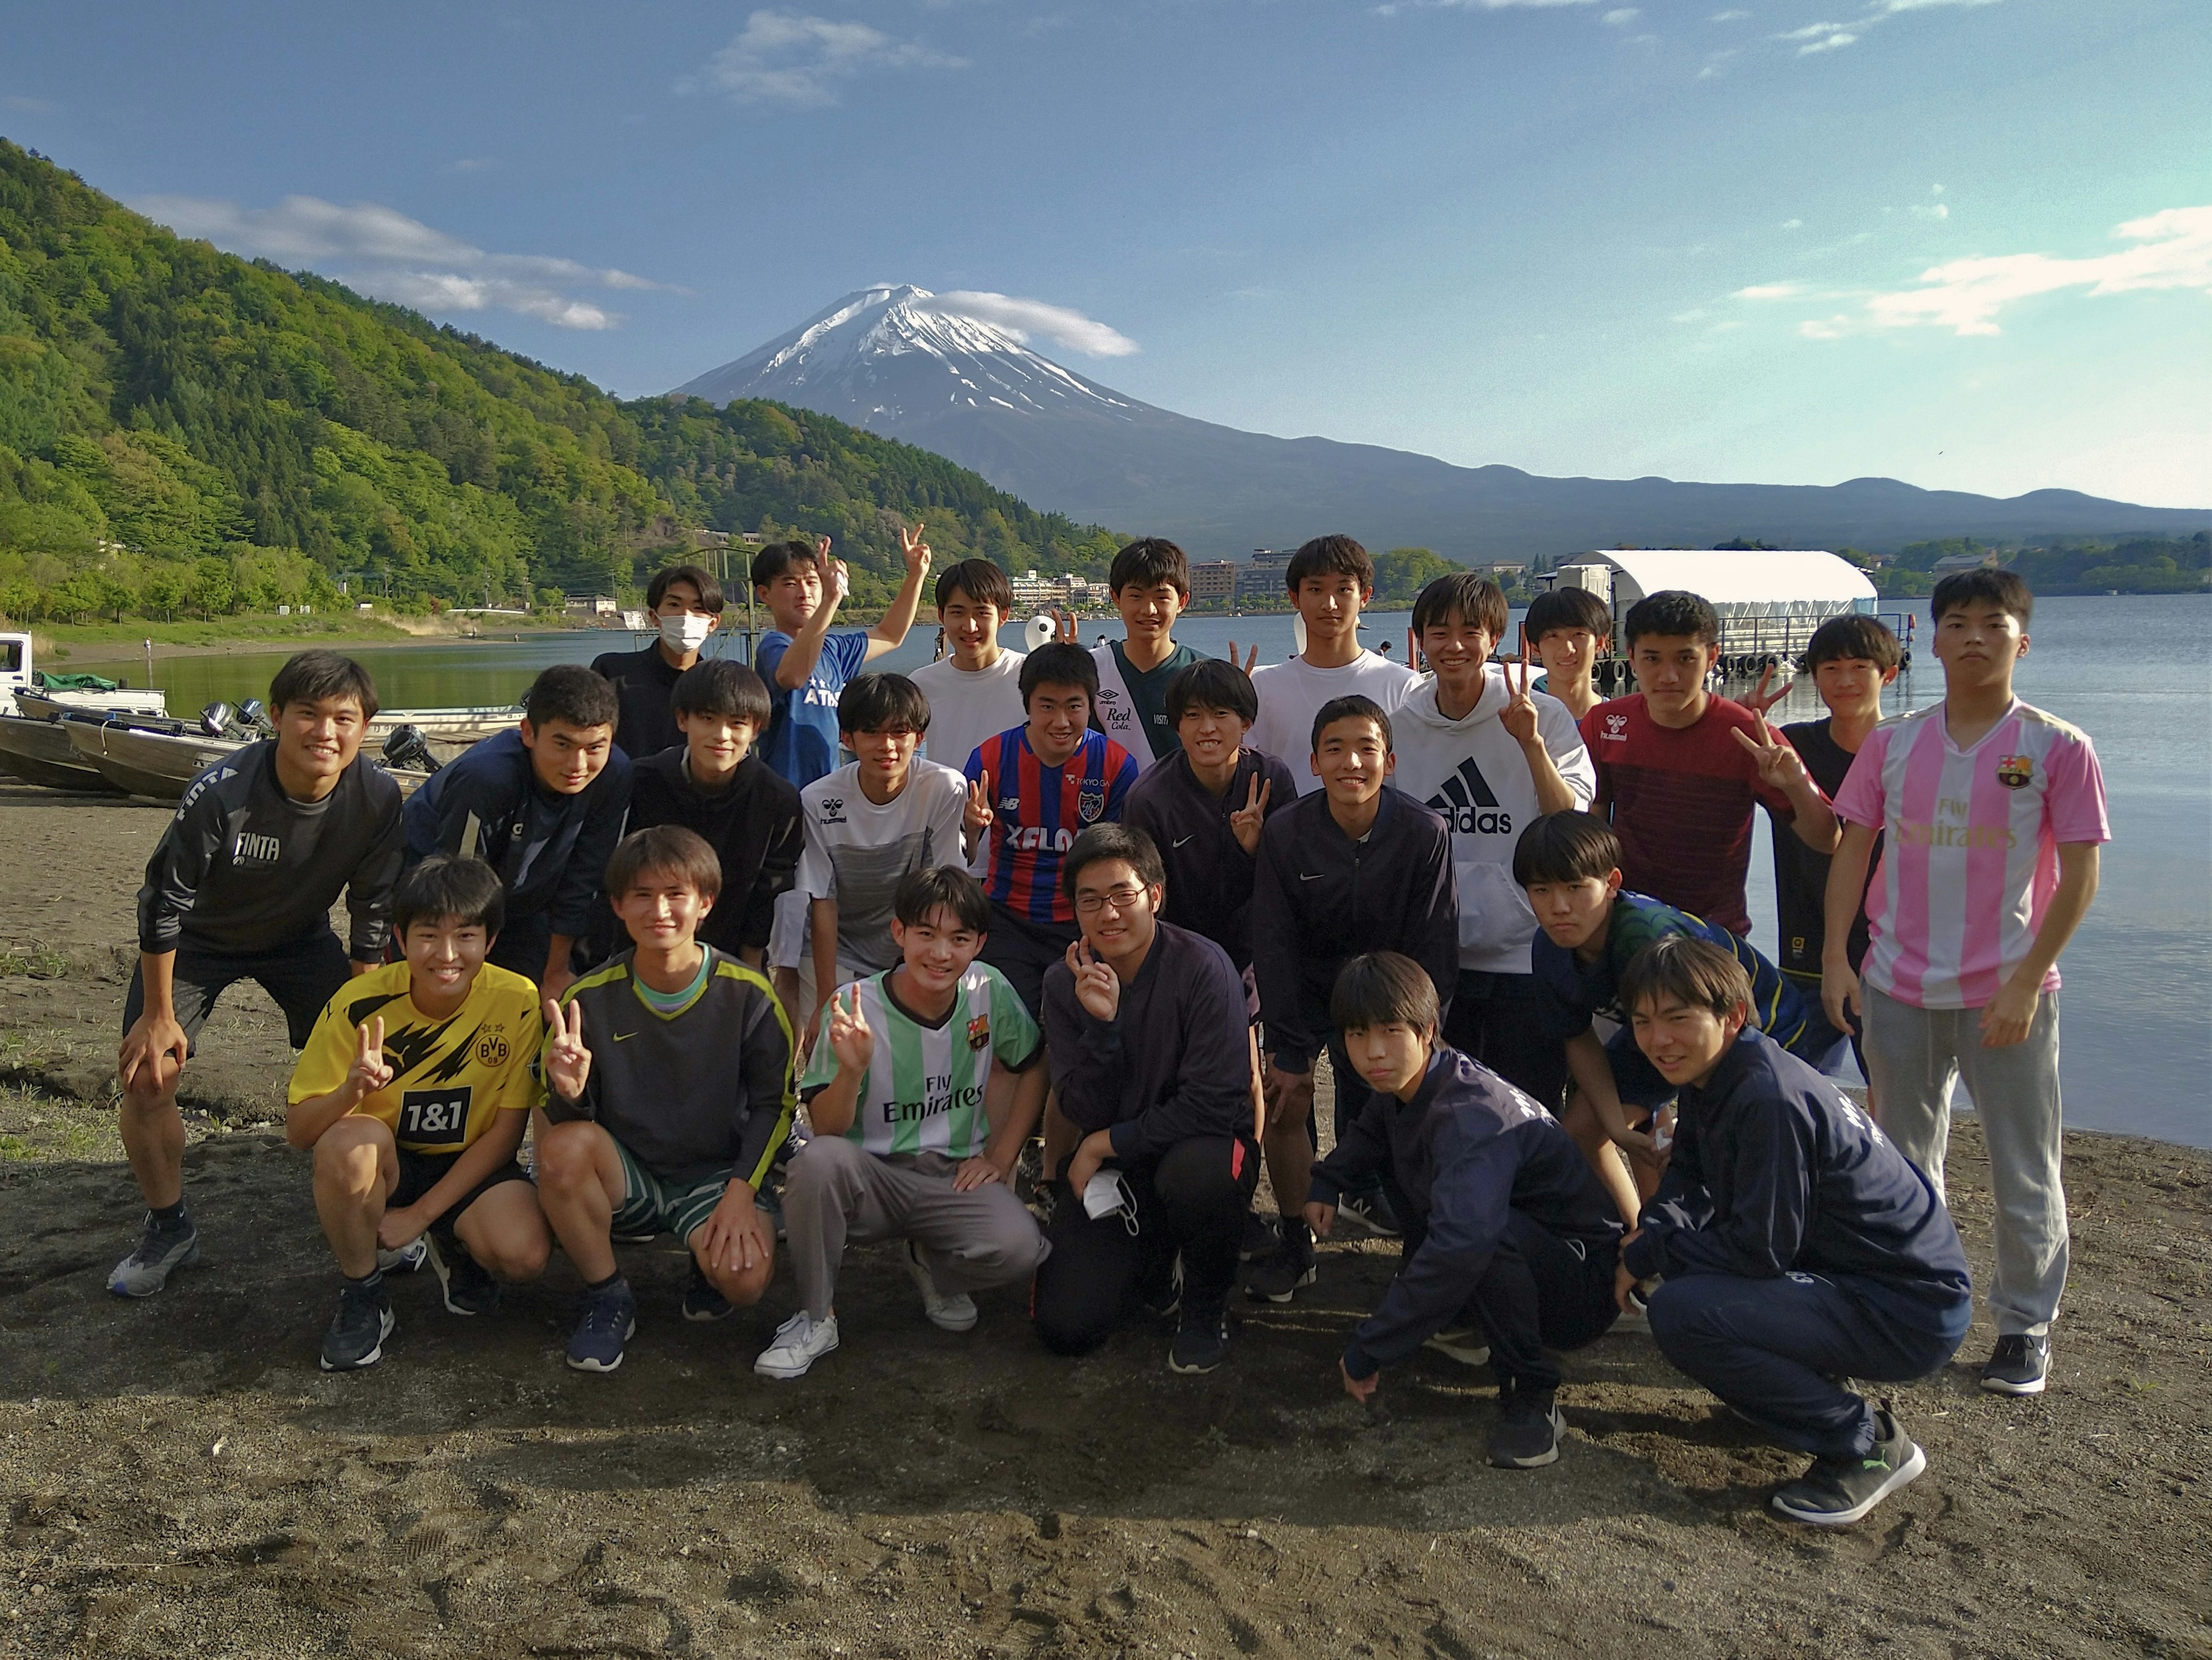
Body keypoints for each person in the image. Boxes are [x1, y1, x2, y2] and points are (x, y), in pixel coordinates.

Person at [1824, 568, 2107, 1398]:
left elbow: (2082, 876)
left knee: (2025, 1163)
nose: (1975, 635)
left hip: (2006, 994)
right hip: (1897, 983)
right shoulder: (1894, 742)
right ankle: (1918, 1302)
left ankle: (2025, 1326)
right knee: (1904, 1160)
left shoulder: (2058, 746)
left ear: (2023, 638)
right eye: (1957, 622)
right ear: (1934, 639)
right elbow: (1852, 850)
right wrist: (1841, 958)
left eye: (1994, 621)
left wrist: (2024, 983)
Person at [1619, 936, 1972, 1527]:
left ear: (1731, 1016)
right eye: (1642, 1021)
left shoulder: (1766, 1097)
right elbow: (1688, 1175)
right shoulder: (1718, 1072)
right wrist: (1652, 1232)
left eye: (1677, 1019)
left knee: (1682, 1311)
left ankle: (1867, 1443)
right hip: (1855, 1277)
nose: (1658, 1040)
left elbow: (1758, 1252)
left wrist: (1653, 1251)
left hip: (1908, 1307)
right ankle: (1791, 1394)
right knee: (1688, 1281)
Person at [109, 651, 406, 1299]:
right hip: (194, 943)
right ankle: (170, 1226)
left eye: (343, 718)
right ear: (275, 717)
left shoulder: (378, 796)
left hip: (299, 939)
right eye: (308, 714)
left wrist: (367, 1010)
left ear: (366, 728)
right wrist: (158, 1016)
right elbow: (162, 904)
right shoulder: (224, 792)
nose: (324, 732)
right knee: (149, 1074)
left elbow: (373, 912)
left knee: (378, 1061)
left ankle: (383, 1207)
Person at [1309, 953, 1623, 1470]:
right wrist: (1328, 1180)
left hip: (1583, 1280)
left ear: (1428, 1030)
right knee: (1446, 1202)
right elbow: (1371, 1131)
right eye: (1357, 1034)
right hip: (1531, 1247)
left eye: (1392, 1031)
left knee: (1477, 1235)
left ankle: (1533, 1393)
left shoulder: (1470, 1114)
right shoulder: (1411, 1083)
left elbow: (1464, 1244)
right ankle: (1466, 1316)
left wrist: (1372, 1345)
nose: (1374, 1052)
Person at [760, 866, 1050, 1379]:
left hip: (952, 1176)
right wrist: (851, 1070)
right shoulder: (855, 1006)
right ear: (899, 933)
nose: (941, 953)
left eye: (959, 938)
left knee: (1021, 1246)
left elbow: (1034, 1065)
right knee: (817, 1163)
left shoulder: (989, 990)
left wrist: (1003, 1155)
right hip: (872, 1178)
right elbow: (826, 1129)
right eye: (926, 934)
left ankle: (932, 1261)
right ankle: (814, 1316)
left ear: (979, 943)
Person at [535, 826, 797, 1371]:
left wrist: (741, 1191)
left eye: (676, 894)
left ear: (705, 903)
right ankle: (607, 1294)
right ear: (617, 905)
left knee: (744, 1282)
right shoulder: (589, 997)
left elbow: (777, 1105)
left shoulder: (749, 992)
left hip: (717, 1172)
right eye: (642, 895)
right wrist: (570, 1091)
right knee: (561, 1150)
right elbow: (563, 1120)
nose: (660, 910)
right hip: (630, 1169)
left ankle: (707, 1257)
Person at [284, 856, 551, 1370]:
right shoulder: (358, 1003)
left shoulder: (517, 999)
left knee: (525, 1255)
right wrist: (350, 1090)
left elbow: (507, 1132)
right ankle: (363, 1292)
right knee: (347, 1143)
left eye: (466, 936)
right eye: (429, 936)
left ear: (490, 941)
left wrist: (420, 1216)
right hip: (390, 1164)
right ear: (401, 940)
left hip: (470, 1159)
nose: (447, 955)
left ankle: (449, 1240)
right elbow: (299, 1132)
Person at [1516, 810, 1828, 1228]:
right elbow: (1577, 1036)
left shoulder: (1647, 937)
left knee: (1713, 1147)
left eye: (1575, 888)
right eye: (1541, 890)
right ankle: (1637, 1234)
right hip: (1659, 1030)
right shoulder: (1549, 947)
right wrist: (1619, 1127)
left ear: (1612, 884)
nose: (1559, 907)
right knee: (1581, 1132)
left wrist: (1677, 1123)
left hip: (1755, 1027)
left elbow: (1707, 1031)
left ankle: (1696, 1238)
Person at [1248, 696, 1457, 1300]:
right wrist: (1289, 1045)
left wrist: (1422, 1036)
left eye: (1367, 748)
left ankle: (1422, 1249)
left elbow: (1437, 943)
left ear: (1389, 761)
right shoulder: (1288, 833)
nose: (1351, 762)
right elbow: (1274, 940)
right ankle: (1296, 1241)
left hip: (1391, 998)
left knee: (1411, 1114)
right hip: (1310, 989)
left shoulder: (1424, 832)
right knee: (1284, 1102)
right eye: (1335, 749)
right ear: (1313, 762)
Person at [1033, 826, 1262, 1374]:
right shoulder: (1065, 984)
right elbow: (1081, 1105)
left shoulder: (1205, 967)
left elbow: (1213, 1103)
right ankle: (1158, 1263)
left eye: (1122, 895)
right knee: (1067, 1329)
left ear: (1154, 896)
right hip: (1119, 1170)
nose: (1108, 912)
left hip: (1203, 1151)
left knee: (1197, 1171)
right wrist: (1103, 1029)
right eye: (1090, 900)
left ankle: (1207, 1303)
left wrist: (1103, 1143)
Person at [1393, 572, 1595, 1107]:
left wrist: (1530, 745)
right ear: (1420, 640)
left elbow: (1571, 824)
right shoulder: (1401, 723)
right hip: (1438, 958)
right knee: (1443, 1107)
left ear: (1495, 639)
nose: (1454, 645)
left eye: (1471, 631)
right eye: (1439, 632)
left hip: (1524, 955)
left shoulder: (1541, 715)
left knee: (1527, 1107)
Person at [1581, 589, 1838, 937]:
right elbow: (1592, 822)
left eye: (1686, 659)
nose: (1668, 675)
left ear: (1712, 657)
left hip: (1715, 934)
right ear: (1631, 656)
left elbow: (1828, 839)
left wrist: (1795, 785)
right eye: (1653, 659)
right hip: (1627, 924)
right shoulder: (1605, 723)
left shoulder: (1750, 735)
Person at [403, 664, 631, 1000]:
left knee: (538, 996)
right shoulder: (487, 778)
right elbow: (456, 884)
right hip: (435, 887)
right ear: (528, 733)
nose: (578, 765)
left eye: (595, 747)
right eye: (562, 744)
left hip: (527, 899)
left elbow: (584, 878)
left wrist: (555, 973)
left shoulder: (614, 774)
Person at [960, 643, 1139, 1019]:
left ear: (1091, 706)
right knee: (1013, 1033)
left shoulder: (1116, 765)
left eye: (1074, 706)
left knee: (1083, 1025)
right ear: (1028, 705)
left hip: (1082, 920)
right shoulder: (990, 759)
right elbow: (964, 854)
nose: (1061, 720)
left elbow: (1120, 860)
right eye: (1047, 706)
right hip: (1008, 919)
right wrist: (971, 830)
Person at [1766, 615, 1902, 1079]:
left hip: (1890, 954)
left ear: (1888, 673)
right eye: (1831, 668)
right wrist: (1742, 716)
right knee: (1791, 1087)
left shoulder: (1913, 749)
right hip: (1806, 944)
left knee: (1892, 1091)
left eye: (1860, 667)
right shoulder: (1791, 746)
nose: (1844, 681)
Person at [796, 674, 969, 1035]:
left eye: (900, 732)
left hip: (906, 944)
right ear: (847, 739)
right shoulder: (817, 800)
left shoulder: (943, 788)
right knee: (832, 1047)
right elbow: (822, 900)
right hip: (837, 947)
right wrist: (827, 1001)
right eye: (872, 732)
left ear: (919, 738)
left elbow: (945, 885)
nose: (887, 745)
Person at [1119, 658, 1298, 980]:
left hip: (1260, 954)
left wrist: (1255, 850)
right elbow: (1146, 900)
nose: (1207, 728)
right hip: (1179, 958)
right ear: (1176, 726)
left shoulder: (1272, 778)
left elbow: (1289, 883)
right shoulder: (1149, 799)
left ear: (1246, 722)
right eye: (1192, 716)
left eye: (1220, 714)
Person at [623, 659, 801, 967]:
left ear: (755, 730)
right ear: (683, 720)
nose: (721, 735)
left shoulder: (777, 799)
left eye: (737, 723)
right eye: (707, 718)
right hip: (645, 949)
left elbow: (769, 894)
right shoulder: (641, 782)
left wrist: (750, 974)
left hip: (731, 956)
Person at [752, 528, 933, 790]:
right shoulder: (774, 646)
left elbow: (890, 635)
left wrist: (916, 575)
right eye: (790, 583)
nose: (804, 592)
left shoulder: (835, 651)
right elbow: (792, 676)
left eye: (812, 582)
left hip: (828, 797)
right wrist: (830, 599)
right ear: (765, 594)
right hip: (783, 795)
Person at [1244, 535, 1419, 782]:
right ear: (1295, 597)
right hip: (1286, 821)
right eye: (1315, 590)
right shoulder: (1263, 687)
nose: (1330, 604)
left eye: (1343, 590)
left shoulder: (1403, 686)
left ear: (1365, 596)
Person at [590, 562, 727, 761]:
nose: (685, 616)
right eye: (674, 605)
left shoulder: (718, 686)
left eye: (698, 608)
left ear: (713, 623)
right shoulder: (611, 673)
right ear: (655, 617)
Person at [1089, 538, 1206, 769]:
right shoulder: (1089, 670)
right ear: (1116, 599)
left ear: (1182, 601)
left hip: (1179, 803)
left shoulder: (1201, 674)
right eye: (1136, 596)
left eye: (1161, 597)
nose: (1149, 609)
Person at [911, 559, 1028, 784]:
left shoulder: (1028, 676)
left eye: (982, 613)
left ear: (1003, 616)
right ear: (942, 616)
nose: (970, 626)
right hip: (945, 813)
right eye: (958, 613)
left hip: (1016, 814)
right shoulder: (921, 685)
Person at [1522, 585, 1614, 724]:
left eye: (1579, 634)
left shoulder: (1620, 722)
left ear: (1600, 643)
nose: (1567, 649)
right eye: (1553, 636)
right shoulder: (1523, 722)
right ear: (1535, 647)